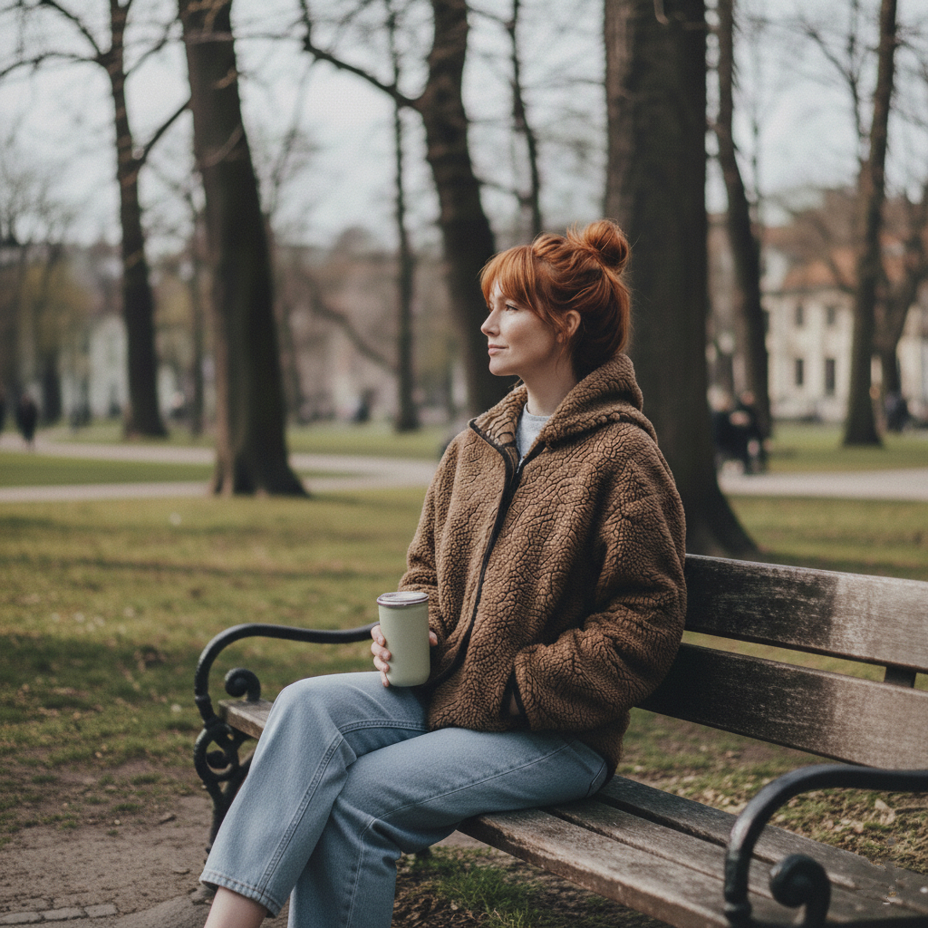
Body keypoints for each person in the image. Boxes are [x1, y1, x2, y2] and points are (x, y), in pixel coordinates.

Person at [199, 220, 687, 928]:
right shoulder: (476, 444)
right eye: (490, 305)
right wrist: (415, 630)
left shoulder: (621, 456)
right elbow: (425, 567)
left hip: (554, 734)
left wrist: (521, 684)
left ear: (566, 324)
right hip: (450, 691)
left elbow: (645, 623)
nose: (488, 324)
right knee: (305, 705)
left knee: (360, 799)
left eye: (509, 308)